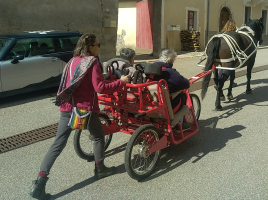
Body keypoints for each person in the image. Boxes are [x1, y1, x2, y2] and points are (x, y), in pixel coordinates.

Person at [29, 33, 131, 200]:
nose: (100, 47)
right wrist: (122, 82)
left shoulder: (72, 61)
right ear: (90, 47)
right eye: (98, 45)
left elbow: (82, 83)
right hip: (84, 110)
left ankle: (40, 182)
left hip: (67, 107)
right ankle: (100, 169)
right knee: (98, 136)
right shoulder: (93, 62)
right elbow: (99, 88)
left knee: (57, 144)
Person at [153, 49, 191, 131]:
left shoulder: (151, 68)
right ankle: (178, 124)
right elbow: (184, 83)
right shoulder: (170, 72)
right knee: (183, 97)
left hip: (152, 102)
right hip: (167, 104)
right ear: (172, 61)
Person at [215, 20, 238, 99]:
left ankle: (217, 82)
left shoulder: (222, 33)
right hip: (229, 54)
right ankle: (226, 86)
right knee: (228, 67)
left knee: (221, 66)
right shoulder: (233, 35)